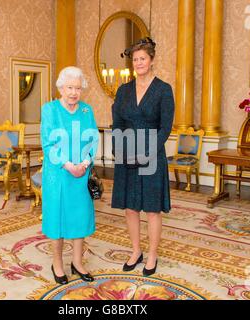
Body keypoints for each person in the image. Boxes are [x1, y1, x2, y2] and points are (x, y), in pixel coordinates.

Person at [111, 37, 175, 277]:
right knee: (130, 207)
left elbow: (165, 127)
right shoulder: (123, 90)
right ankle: (136, 251)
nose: (138, 62)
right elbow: (117, 122)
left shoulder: (163, 89)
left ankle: (152, 255)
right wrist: (119, 149)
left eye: (142, 59)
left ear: (151, 60)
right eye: (135, 59)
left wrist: (148, 152)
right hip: (126, 153)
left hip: (151, 155)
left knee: (151, 208)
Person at [40, 66, 99, 284]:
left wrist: (84, 163)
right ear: (61, 88)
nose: (74, 92)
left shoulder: (86, 111)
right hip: (58, 175)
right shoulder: (50, 110)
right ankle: (57, 263)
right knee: (57, 218)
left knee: (79, 217)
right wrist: (68, 165)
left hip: (81, 173)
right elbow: (48, 143)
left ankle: (77, 262)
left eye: (78, 88)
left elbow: (93, 139)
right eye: (69, 87)